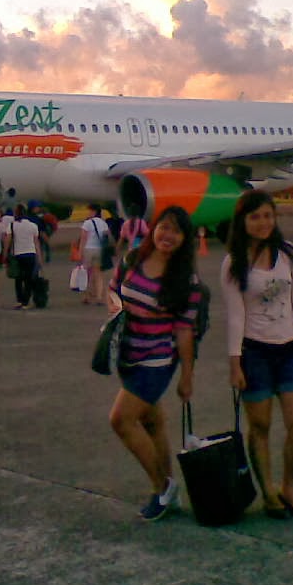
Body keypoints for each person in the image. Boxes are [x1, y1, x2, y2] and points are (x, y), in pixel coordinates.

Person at [221, 189, 293, 520]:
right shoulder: (234, 263)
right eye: (255, 217)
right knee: (260, 425)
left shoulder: (289, 254)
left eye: (267, 215)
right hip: (254, 352)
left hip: (290, 349)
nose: (263, 223)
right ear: (242, 221)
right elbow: (235, 315)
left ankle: (288, 487)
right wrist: (234, 362)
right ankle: (268, 492)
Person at [107, 205, 201, 521]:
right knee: (152, 423)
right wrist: (115, 309)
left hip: (157, 360)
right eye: (164, 227)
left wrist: (187, 376)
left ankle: (163, 486)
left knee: (121, 420)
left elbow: (185, 332)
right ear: (153, 228)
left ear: (185, 239)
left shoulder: (186, 280)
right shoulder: (133, 260)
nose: (168, 235)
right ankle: (168, 491)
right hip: (127, 355)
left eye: (177, 231)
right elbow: (113, 290)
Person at [4, 204, 42, 309]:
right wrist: (39, 257)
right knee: (29, 278)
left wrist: (5, 253)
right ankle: (26, 301)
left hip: (17, 254)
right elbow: (36, 243)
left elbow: (7, 241)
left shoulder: (12, 225)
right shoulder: (33, 226)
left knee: (18, 278)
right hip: (30, 253)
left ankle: (19, 300)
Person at [78, 204, 112, 305]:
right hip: (99, 250)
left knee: (86, 274)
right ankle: (99, 297)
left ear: (93, 211)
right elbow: (107, 236)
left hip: (88, 250)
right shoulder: (103, 223)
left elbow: (83, 238)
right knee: (98, 274)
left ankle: (86, 296)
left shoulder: (87, 223)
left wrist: (80, 251)